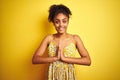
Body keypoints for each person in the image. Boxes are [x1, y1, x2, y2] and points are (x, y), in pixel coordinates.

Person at [32, 4, 91, 80]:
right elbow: (35, 59)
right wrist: (55, 58)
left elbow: (87, 61)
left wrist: (64, 58)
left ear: (68, 21)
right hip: (53, 76)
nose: (61, 25)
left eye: (64, 21)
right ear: (53, 23)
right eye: (57, 22)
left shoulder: (75, 38)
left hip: (69, 76)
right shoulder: (49, 38)